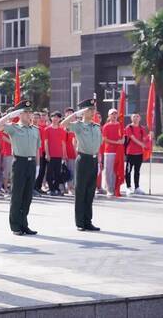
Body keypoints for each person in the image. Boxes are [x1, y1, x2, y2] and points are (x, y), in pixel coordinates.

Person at [0, 100, 40, 236]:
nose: (28, 114)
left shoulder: (35, 130)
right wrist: (10, 115)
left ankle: (24, 224)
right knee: (17, 195)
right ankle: (15, 225)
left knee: (27, 196)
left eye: (29, 112)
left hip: (31, 163)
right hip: (19, 163)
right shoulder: (14, 127)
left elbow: (37, 149)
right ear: (19, 114)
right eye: (25, 112)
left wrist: (37, 165)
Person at [61, 98, 102, 232]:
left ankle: (88, 221)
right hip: (83, 159)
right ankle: (80, 222)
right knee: (81, 191)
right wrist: (77, 113)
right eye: (89, 109)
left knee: (90, 192)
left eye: (93, 109)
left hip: (94, 160)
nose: (92, 111)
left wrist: (99, 160)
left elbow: (99, 144)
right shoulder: (78, 125)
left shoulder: (96, 126)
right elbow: (63, 124)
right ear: (84, 111)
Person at [124, 113, 148, 195]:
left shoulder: (142, 128)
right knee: (128, 171)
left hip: (139, 153)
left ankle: (137, 187)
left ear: (140, 118)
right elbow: (132, 138)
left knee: (137, 171)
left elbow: (145, 138)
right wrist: (141, 144)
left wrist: (149, 138)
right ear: (131, 118)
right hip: (130, 152)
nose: (136, 118)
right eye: (134, 116)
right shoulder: (129, 127)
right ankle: (128, 187)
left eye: (137, 116)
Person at [102, 108, 124, 196]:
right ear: (109, 116)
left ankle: (115, 188)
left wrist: (122, 140)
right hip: (109, 151)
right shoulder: (106, 126)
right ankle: (109, 189)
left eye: (115, 114)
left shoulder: (120, 125)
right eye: (112, 114)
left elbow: (123, 135)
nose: (114, 116)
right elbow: (105, 139)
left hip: (118, 152)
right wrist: (116, 142)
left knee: (116, 170)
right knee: (109, 171)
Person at [44, 111, 66, 196]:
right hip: (51, 155)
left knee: (58, 173)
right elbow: (46, 142)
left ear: (60, 119)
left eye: (57, 117)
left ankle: (56, 188)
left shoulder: (62, 130)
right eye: (54, 117)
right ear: (51, 118)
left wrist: (64, 154)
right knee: (49, 173)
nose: (55, 119)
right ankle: (51, 188)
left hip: (59, 155)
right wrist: (47, 154)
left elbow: (63, 143)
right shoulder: (47, 129)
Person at [63, 107, 77, 194]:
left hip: (74, 152)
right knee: (65, 170)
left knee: (73, 171)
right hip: (65, 153)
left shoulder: (76, 126)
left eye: (71, 113)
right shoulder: (63, 126)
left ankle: (71, 187)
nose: (69, 115)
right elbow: (62, 142)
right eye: (67, 113)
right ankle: (65, 187)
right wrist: (64, 154)